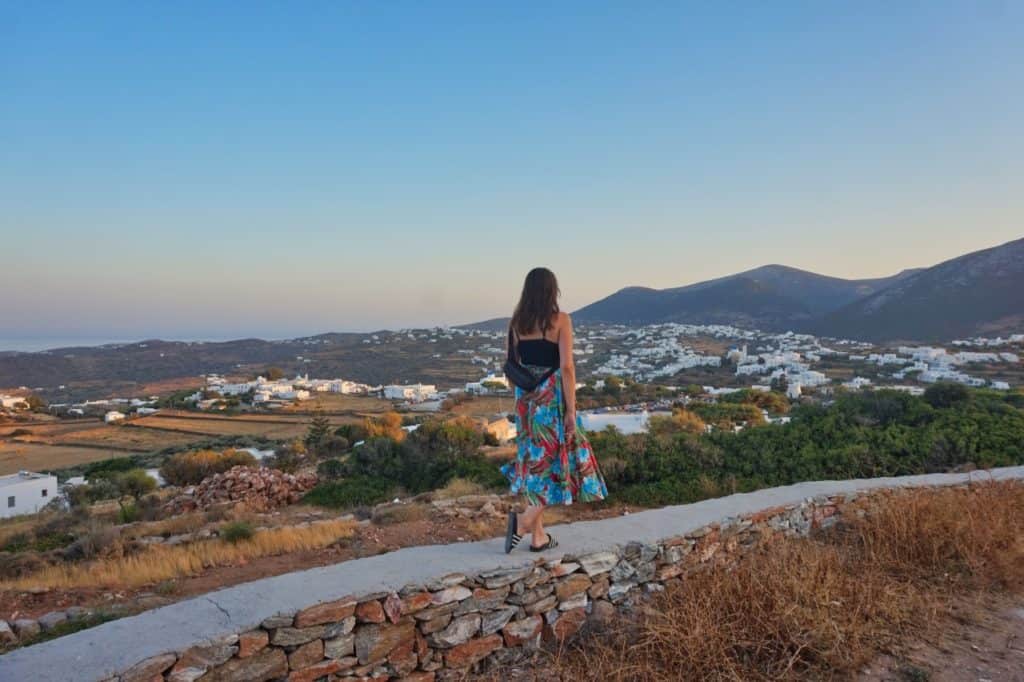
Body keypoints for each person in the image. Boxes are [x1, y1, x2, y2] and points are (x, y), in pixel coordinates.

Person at [502, 267, 608, 553]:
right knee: (552, 466)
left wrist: (526, 395)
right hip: (551, 400)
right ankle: (524, 524)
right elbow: (567, 366)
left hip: (525, 400)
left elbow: (512, 364)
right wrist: (571, 409)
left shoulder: (516, 323)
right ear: (552, 290)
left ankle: (539, 538)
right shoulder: (560, 320)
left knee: (534, 464)